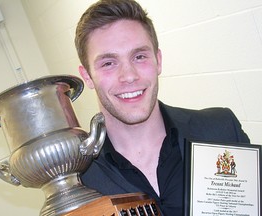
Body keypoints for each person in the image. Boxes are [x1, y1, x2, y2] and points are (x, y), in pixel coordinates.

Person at [74, 0, 250, 215]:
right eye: (109, 63)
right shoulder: (79, 178)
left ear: (158, 60)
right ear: (87, 76)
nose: (129, 76)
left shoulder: (221, 131)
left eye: (139, 57)